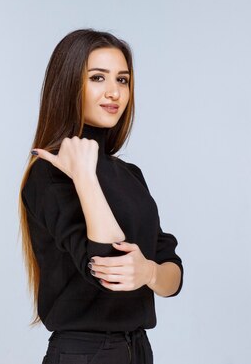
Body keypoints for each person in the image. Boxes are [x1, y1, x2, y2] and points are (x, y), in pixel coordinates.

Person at [19, 28, 183, 364]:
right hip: (86, 352)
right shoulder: (49, 173)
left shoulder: (130, 175)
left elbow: (173, 272)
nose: (114, 92)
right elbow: (108, 268)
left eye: (122, 80)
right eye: (98, 77)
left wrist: (149, 272)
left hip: (137, 349)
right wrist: (83, 176)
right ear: (68, 85)